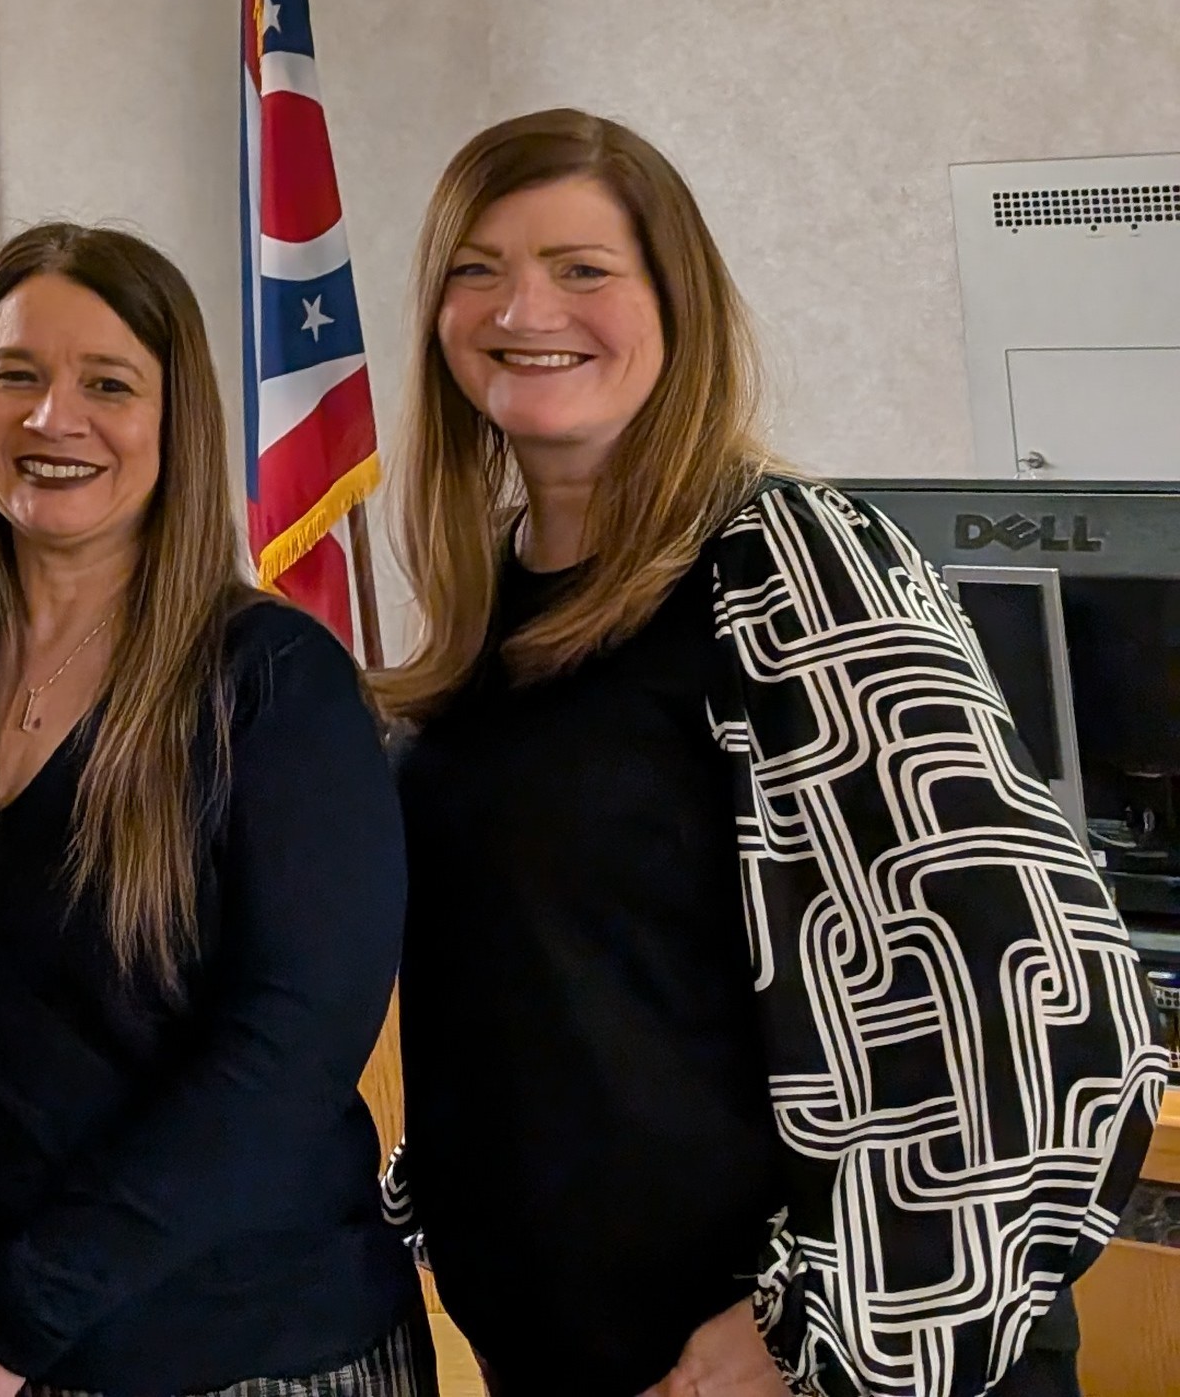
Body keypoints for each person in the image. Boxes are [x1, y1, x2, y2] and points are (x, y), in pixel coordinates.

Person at [382, 110, 1161, 1397]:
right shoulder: (487, 603)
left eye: (583, 267)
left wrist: (802, 1332)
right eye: (477, 267)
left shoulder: (796, 563)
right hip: (560, 1354)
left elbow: (1059, 1015)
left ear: (674, 303)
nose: (525, 306)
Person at [0, 224, 426, 1397]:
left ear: (175, 423)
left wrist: (17, 1311)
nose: (56, 419)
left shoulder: (272, 680)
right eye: (17, 376)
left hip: (242, 1349)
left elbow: (291, 1048)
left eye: (108, 384)